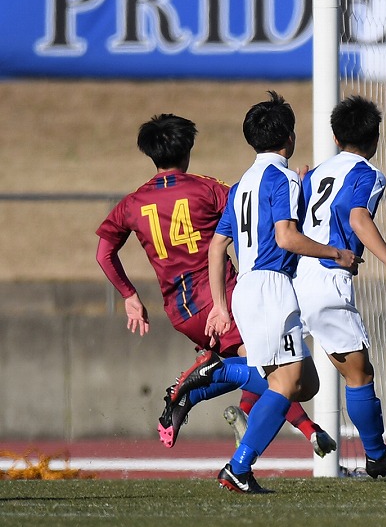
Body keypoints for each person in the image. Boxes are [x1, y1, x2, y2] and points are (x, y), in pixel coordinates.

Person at [95, 113, 335, 456]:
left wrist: (129, 295)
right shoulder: (206, 189)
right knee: (274, 373)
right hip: (221, 300)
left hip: (180, 312)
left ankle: (223, 413)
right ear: (188, 149)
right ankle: (199, 389)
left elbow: (104, 252)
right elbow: (254, 211)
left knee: (268, 368)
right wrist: (300, 189)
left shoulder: (133, 202)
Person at [205, 91, 360, 493]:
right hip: (272, 287)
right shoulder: (284, 178)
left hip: (246, 290)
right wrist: (336, 253)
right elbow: (287, 237)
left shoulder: (241, 184)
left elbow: (218, 245)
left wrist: (221, 306)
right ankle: (239, 467)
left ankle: (228, 383)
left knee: (304, 383)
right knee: (288, 383)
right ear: (288, 138)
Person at [294, 95, 386, 478]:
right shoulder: (368, 174)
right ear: (376, 138)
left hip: (295, 277)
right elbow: (357, 217)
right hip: (327, 279)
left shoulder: (316, 173)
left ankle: (213, 385)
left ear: (335, 136)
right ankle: (376, 455)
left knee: (279, 372)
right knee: (359, 375)